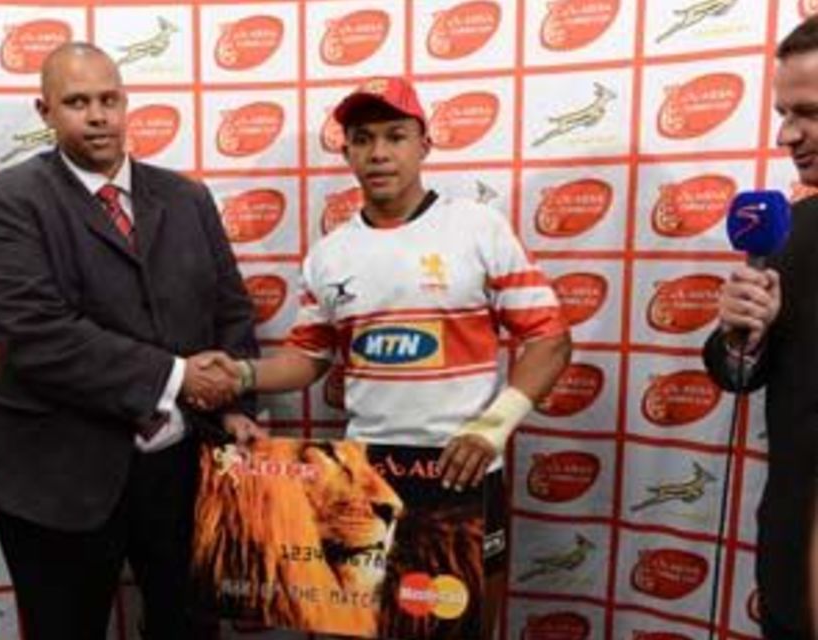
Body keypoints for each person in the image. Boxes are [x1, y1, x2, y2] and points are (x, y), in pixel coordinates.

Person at [198, 76, 572, 637]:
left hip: (462, 475)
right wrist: (243, 373)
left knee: (465, 629)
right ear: (346, 150)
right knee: (364, 630)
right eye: (363, 138)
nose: (378, 153)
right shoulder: (330, 254)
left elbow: (550, 338)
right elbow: (308, 357)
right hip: (365, 480)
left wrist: (490, 430)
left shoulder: (478, 227)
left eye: (395, 136)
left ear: (424, 143)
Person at [0, 42, 260, 639]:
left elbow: (230, 309)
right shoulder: (6, 202)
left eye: (109, 99)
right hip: (57, 482)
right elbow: (36, 334)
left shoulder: (187, 197)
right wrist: (177, 376)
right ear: (45, 111)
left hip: (184, 474)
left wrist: (233, 404)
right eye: (77, 102)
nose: (98, 115)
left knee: (189, 630)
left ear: (126, 104)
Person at [702, 15, 818, 640]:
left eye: (810, 113)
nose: (786, 135)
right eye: (783, 111)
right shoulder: (791, 230)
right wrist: (744, 332)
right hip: (795, 556)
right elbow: (739, 371)